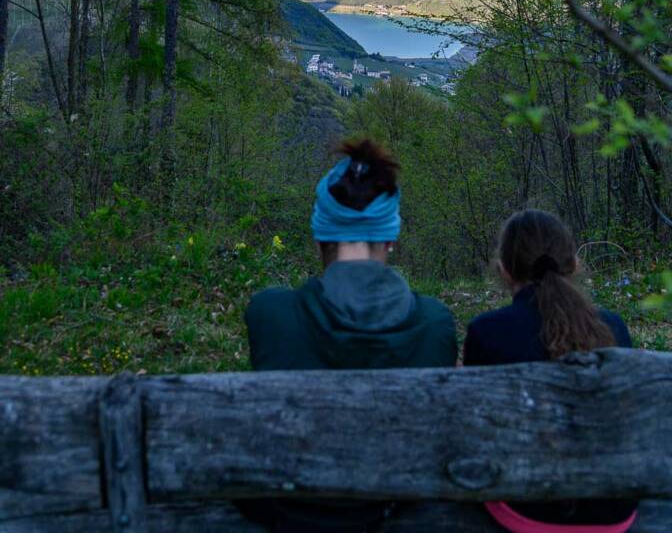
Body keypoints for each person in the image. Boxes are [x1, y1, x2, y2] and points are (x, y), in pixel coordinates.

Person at [241, 138, 457, 532]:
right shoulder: (435, 324)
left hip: (289, 514)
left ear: (319, 234)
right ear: (390, 237)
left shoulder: (269, 314)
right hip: (395, 513)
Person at [463, 209, 637, 533]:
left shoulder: (487, 332)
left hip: (525, 510)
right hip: (612, 509)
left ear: (504, 270)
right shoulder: (613, 327)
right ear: (574, 265)